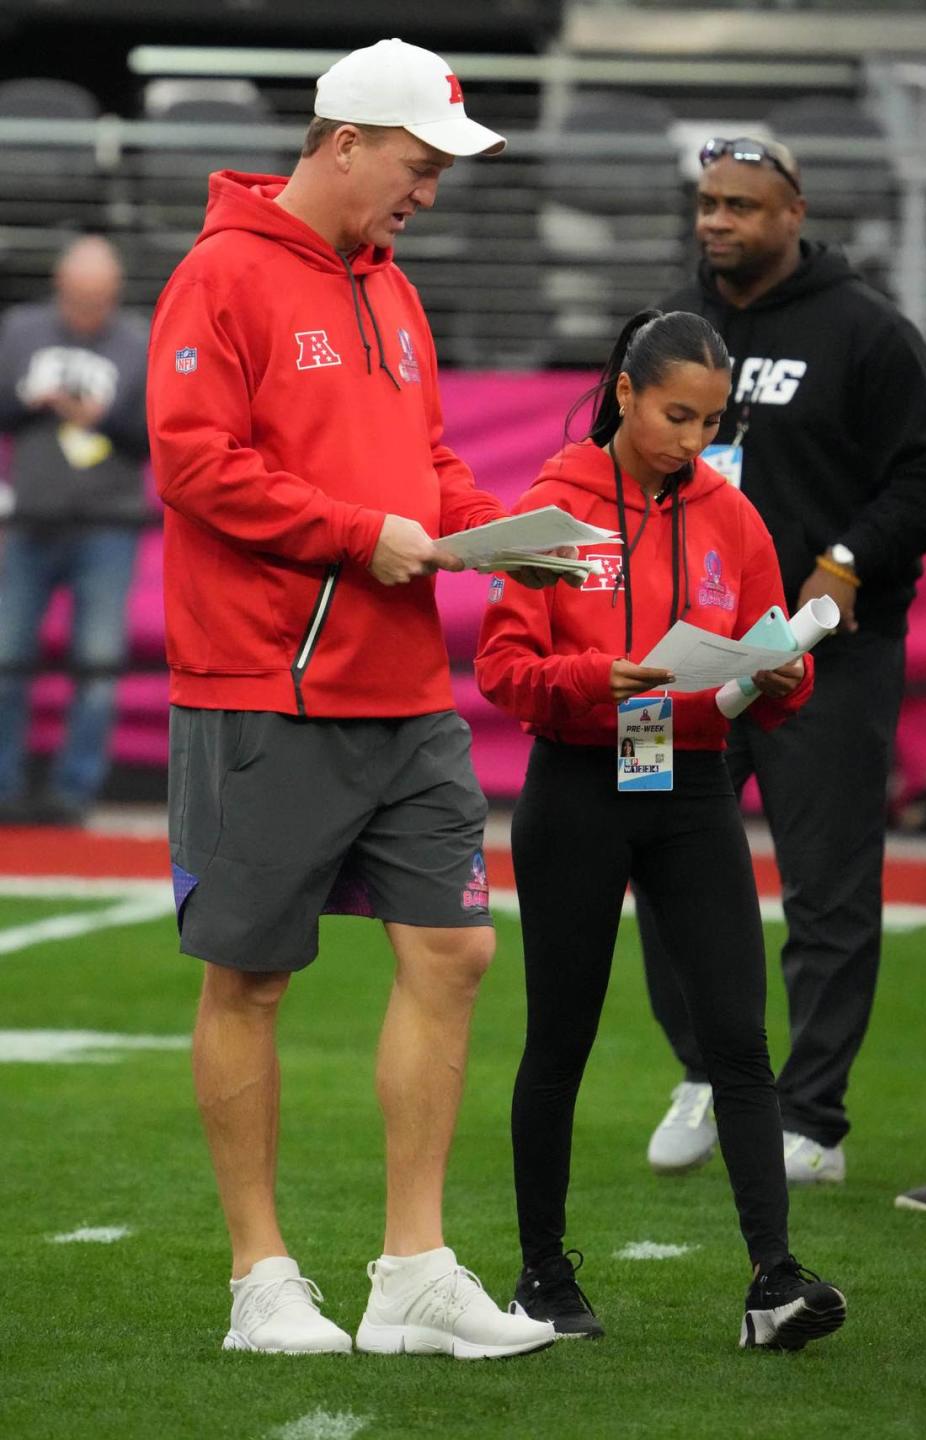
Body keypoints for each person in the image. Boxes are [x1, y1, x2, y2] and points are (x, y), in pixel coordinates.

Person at [146, 38, 564, 1359]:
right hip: (265, 683)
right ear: (345, 143)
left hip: (404, 689)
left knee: (455, 950)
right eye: (418, 163)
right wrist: (355, 533)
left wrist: (515, 532)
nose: (428, 190)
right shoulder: (219, 275)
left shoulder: (395, 290)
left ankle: (412, 1271)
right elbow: (191, 461)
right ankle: (261, 1279)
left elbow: (431, 464)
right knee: (251, 979)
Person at [475, 308, 847, 1350]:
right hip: (580, 785)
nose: (694, 438)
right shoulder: (554, 501)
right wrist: (604, 677)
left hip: (690, 786)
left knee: (738, 1035)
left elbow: (779, 666)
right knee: (561, 1038)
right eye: (677, 415)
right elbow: (504, 670)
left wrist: (785, 671)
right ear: (627, 394)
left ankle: (773, 1282)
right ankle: (544, 1280)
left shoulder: (732, 512)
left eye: (710, 419)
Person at [639, 137, 926, 1185]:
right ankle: (705, 1071)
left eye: (739, 205)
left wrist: (847, 559)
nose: (715, 222)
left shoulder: (865, 329)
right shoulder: (669, 330)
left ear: (793, 213)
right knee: (656, 857)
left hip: (822, 651)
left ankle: (811, 1120)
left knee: (826, 887)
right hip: (684, 653)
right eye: (706, 203)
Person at [0, 235, 149, 825]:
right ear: (60, 287)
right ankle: (4, 788)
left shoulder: (137, 342)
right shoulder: (21, 330)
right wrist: (35, 401)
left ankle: (74, 793)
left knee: (98, 663)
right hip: (32, 518)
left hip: (106, 524)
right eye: (78, 297)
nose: (87, 310)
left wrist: (103, 418)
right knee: (7, 656)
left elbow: (149, 440)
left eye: (98, 298)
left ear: (113, 294)